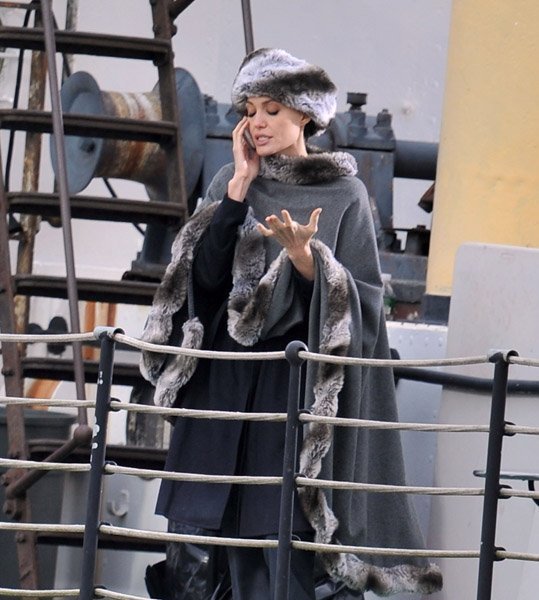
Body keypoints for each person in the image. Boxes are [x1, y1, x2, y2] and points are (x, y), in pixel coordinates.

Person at [140, 48, 442, 599]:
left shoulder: (345, 195)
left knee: (278, 558)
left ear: (304, 115)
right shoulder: (231, 182)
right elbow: (200, 282)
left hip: (288, 401)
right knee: (201, 561)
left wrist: (308, 263)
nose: (257, 122)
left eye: (272, 110)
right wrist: (236, 194)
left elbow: (366, 306)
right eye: (250, 110)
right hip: (222, 395)